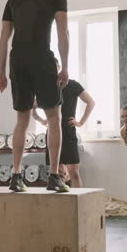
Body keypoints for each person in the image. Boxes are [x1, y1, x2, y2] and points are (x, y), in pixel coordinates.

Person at [0, 0, 70, 192]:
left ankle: (16, 177)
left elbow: (4, 36)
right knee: (54, 117)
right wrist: (65, 67)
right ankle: (54, 176)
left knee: (22, 120)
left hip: (17, 60)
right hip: (42, 58)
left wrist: (1, 70)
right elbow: (63, 32)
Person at [33, 58, 95, 188]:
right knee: (59, 173)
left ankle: (79, 204)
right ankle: (62, 205)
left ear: (59, 67)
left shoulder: (73, 85)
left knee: (74, 172)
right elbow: (32, 108)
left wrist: (81, 122)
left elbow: (90, 102)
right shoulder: (45, 88)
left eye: (54, 67)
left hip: (68, 131)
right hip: (52, 134)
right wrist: (42, 120)